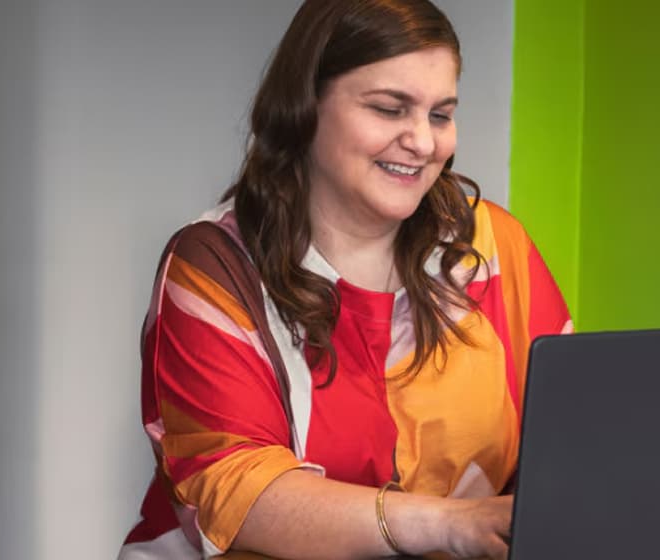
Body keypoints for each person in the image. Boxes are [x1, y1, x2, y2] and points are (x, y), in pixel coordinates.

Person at [117, 1, 572, 558]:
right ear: (306, 106)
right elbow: (239, 494)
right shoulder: (214, 264)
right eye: (389, 109)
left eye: (440, 114)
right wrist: (450, 523)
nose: (423, 143)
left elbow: (571, 436)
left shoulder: (493, 247)